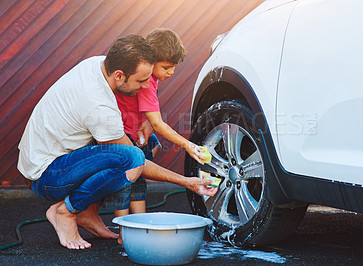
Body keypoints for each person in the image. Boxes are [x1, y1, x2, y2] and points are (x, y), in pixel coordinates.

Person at [17, 34, 217, 250]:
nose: (144, 87)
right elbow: (136, 161)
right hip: (47, 177)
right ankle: (65, 211)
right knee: (132, 159)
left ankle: (88, 213)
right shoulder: (99, 106)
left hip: (46, 160)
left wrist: (147, 122)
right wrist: (187, 182)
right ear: (120, 75)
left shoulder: (97, 64)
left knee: (123, 154)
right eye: (141, 81)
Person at [102, 29, 205, 244]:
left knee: (138, 182)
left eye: (174, 67)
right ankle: (124, 232)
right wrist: (187, 145)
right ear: (151, 62)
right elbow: (158, 123)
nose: (172, 72)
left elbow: (149, 116)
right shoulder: (147, 83)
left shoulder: (149, 80)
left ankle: (138, 226)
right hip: (123, 136)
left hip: (134, 132)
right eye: (167, 67)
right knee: (125, 183)